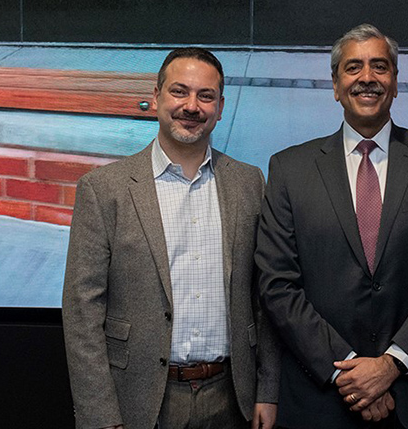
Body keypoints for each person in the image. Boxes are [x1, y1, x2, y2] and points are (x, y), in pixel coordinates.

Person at [256, 24, 408, 429]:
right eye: (353, 67)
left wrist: (393, 363)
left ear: (395, 82)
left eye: (380, 67)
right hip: (324, 402)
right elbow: (277, 284)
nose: (367, 78)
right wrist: (349, 373)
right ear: (335, 85)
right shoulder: (289, 170)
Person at [62, 48, 279, 429]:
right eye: (179, 92)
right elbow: (83, 313)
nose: (191, 106)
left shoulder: (249, 183)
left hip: (232, 399)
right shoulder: (104, 189)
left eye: (205, 96)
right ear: (157, 95)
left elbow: (265, 299)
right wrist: (100, 416)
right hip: (139, 403)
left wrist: (268, 389)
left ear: (221, 106)